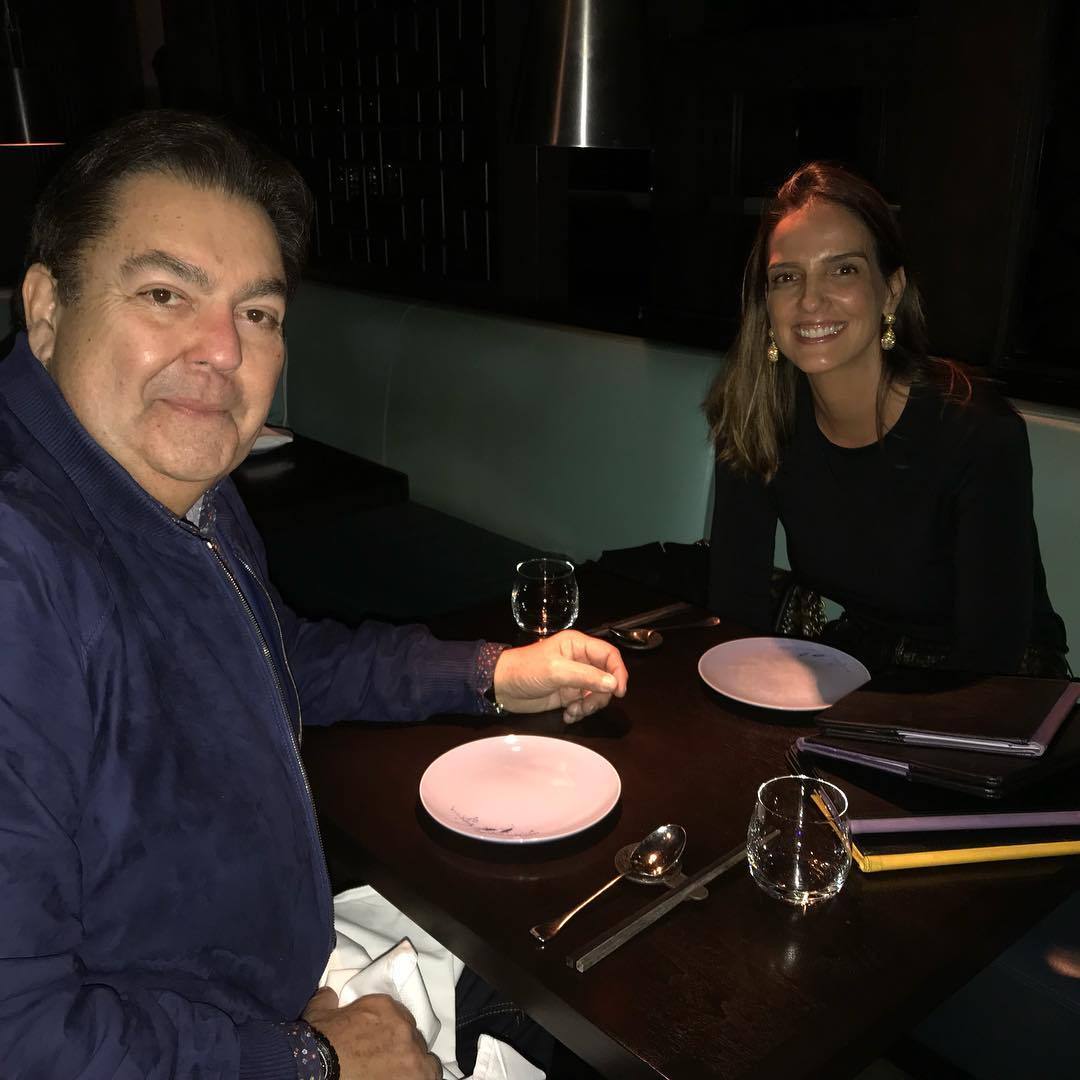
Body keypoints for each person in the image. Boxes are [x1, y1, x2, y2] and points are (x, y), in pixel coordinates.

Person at [0, 110, 628, 1079]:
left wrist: (492, 673)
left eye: (257, 313)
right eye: (165, 294)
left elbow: (277, 657)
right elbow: (22, 1035)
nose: (222, 350)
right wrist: (311, 1061)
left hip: (277, 979)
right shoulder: (21, 572)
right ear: (46, 310)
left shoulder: (182, 494)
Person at [703, 161, 1068, 676]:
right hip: (863, 659)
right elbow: (735, 609)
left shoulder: (976, 431)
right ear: (768, 303)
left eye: (843, 270)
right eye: (787, 277)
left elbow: (991, 658)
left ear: (891, 290)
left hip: (999, 685)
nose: (810, 299)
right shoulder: (756, 416)